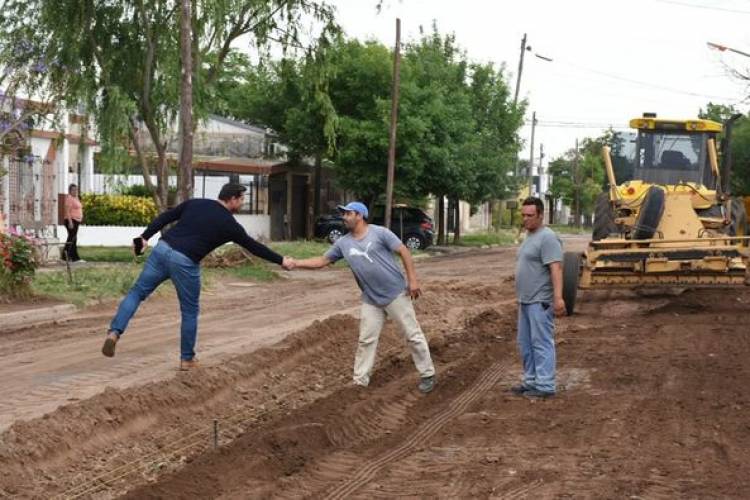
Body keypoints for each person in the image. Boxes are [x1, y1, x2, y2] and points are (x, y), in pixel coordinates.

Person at [101, 183, 293, 370]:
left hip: (162, 250)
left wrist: (145, 237)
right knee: (189, 311)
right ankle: (187, 359)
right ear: (232, 199)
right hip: (185, 262)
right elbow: (254, 247)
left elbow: (166, 216)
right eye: (241, 199)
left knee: (136, 293)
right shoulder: (230, 224)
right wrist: (280, 260)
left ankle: (114, 332)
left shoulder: (195, 203)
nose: (242, 203)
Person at [293, 201, 436, 393]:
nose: (344, 217)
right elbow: (322, 261)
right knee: (366, 340)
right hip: (371, 298)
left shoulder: (380, 233)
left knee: (412, 334)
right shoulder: (343, 243)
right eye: (343, 214)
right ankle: (360, 382)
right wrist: (295, 263)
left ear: (359, 215)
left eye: (347, 214)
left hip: (395, 293)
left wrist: (413, 281)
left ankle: (427, 374)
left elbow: (404, 251)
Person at [510, 197, 565, 399]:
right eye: (523, 215)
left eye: (530, 215)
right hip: (525, 300)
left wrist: (558, 298)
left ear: (541, 215)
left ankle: (545, 385)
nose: (525, 219)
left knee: (541, 342)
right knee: (525, 343)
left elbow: (556, 268)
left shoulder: (548, 238)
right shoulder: (529, 236)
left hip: (540, 301)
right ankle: (531, 381)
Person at [63, 183, 85, 263]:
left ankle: (67, 256)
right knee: (72, 239)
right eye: (73, 190)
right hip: (71, 220)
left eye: (76, 190)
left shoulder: (76, 198)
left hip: (76, 220)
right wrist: (70, 222)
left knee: (72, 239)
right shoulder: (69, 198)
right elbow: (67, 211)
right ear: (70, 191)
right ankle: (74, 258)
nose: (75, 191)